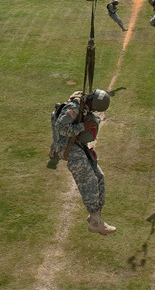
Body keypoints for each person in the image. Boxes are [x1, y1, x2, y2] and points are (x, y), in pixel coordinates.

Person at [50, 89, 116, 235]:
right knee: (89, 180)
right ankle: (95, 223)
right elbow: (60, 127)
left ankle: (96, 214)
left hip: (77, 144)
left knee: (99, 176)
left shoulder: (84, 105)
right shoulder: (74, 107)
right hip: (67, 146)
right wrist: (82, 127)